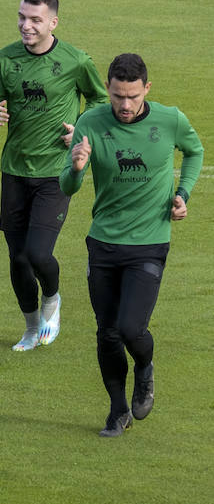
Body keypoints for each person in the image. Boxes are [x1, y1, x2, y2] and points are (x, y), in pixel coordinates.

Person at [61, 53, 201, 437]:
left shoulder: (170, 119)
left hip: (149, 243)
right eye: (118, 96)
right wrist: (75, 167)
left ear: (147, 90)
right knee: (106, 332)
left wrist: (183, 193)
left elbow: (195, 151)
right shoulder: (91, 122)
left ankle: (144, 366)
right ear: (107, 88)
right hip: (103, 243)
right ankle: (117, 410)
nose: (124, 105)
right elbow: (66, 186)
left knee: (130, 328)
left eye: (133, 97)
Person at [0, 0, 107, 351]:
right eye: (21, 17)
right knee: (17, 259)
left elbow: (98, 99)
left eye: (34, 19)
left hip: (54, 173)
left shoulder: (76, 60)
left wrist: (80, 128)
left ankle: (52, 298)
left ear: (53, 22)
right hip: (14, 169)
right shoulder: (5, 59)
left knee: (38, 254)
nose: (25, 25)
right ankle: (31, 328)